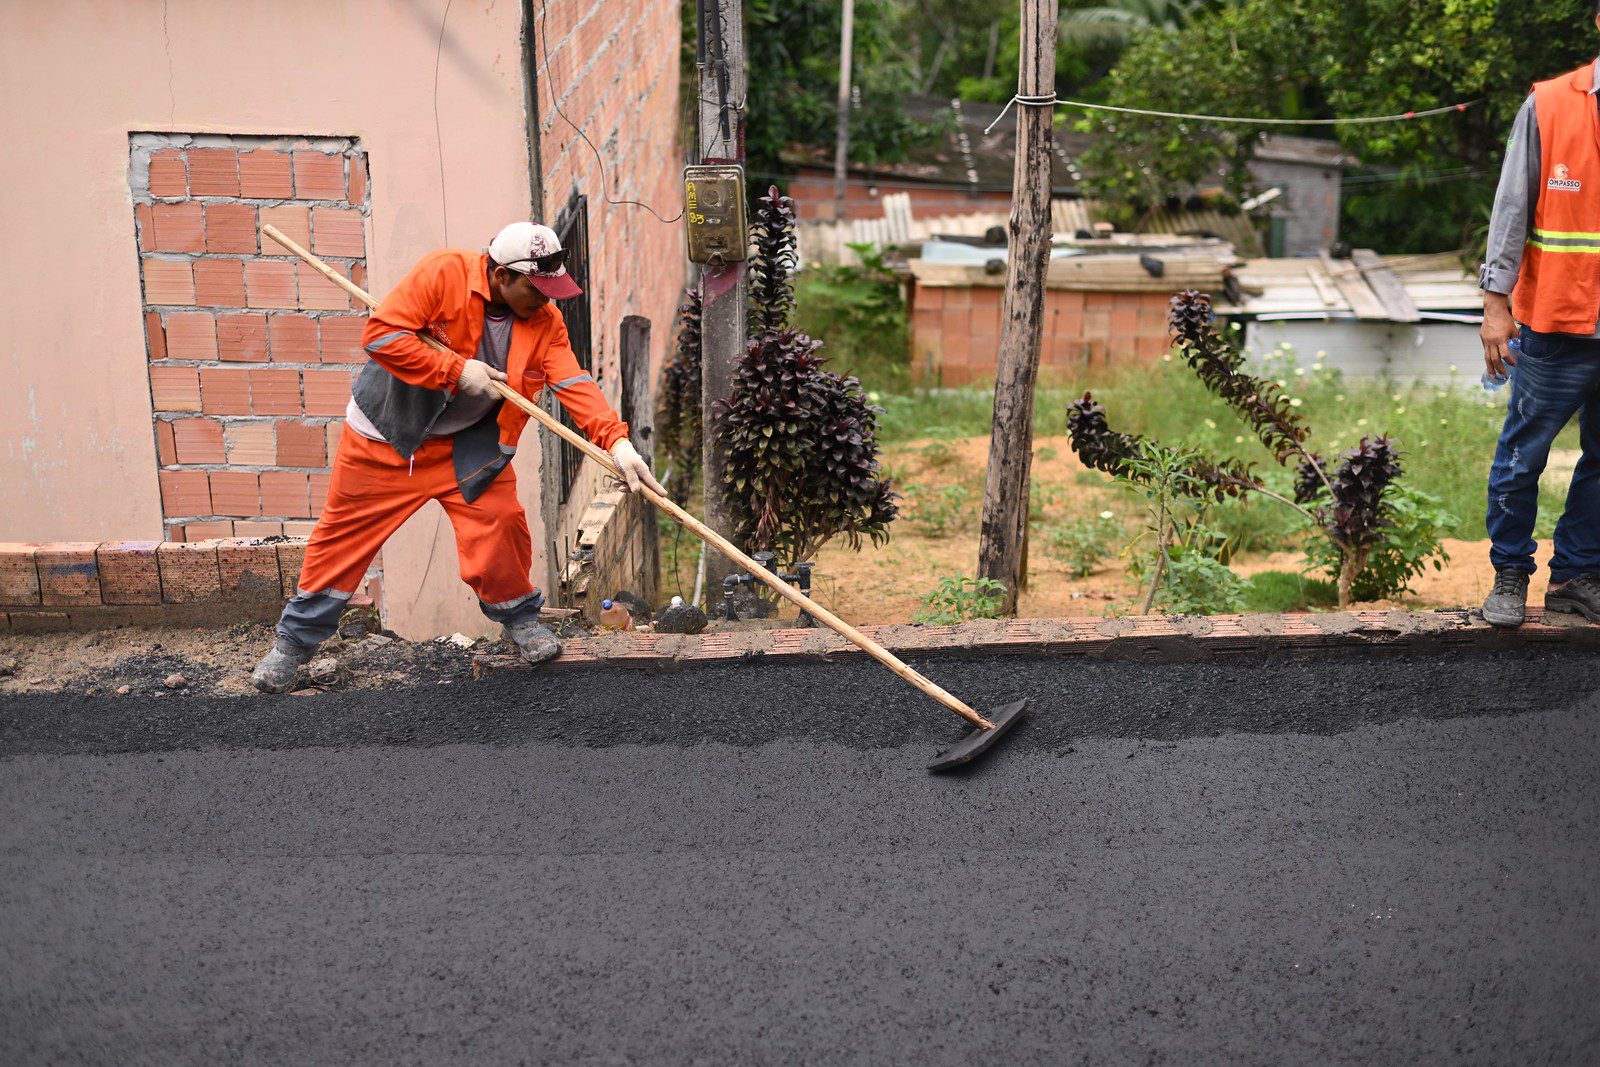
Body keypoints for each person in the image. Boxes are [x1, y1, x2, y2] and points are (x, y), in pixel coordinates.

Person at [251, 222, 664, 692]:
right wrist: (455, 369)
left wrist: (617, 442)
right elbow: (381, 337)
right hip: (388, 439)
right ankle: (292, 646)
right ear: (502, 275)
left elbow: (573, 383)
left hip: (467, 445)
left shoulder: (545, 323)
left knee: (501, 525)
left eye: (552, 290)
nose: (547, 301)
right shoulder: (442, 274)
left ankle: (519, 620)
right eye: (537, 289)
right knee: (342, 542)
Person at [1478, 7, 1600, 628]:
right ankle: (1509, 573)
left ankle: (1577, 577)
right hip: (1556, 325)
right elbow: (1511, 204)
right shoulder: (1551, 105)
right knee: (1523, 455)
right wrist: (1494, 303)